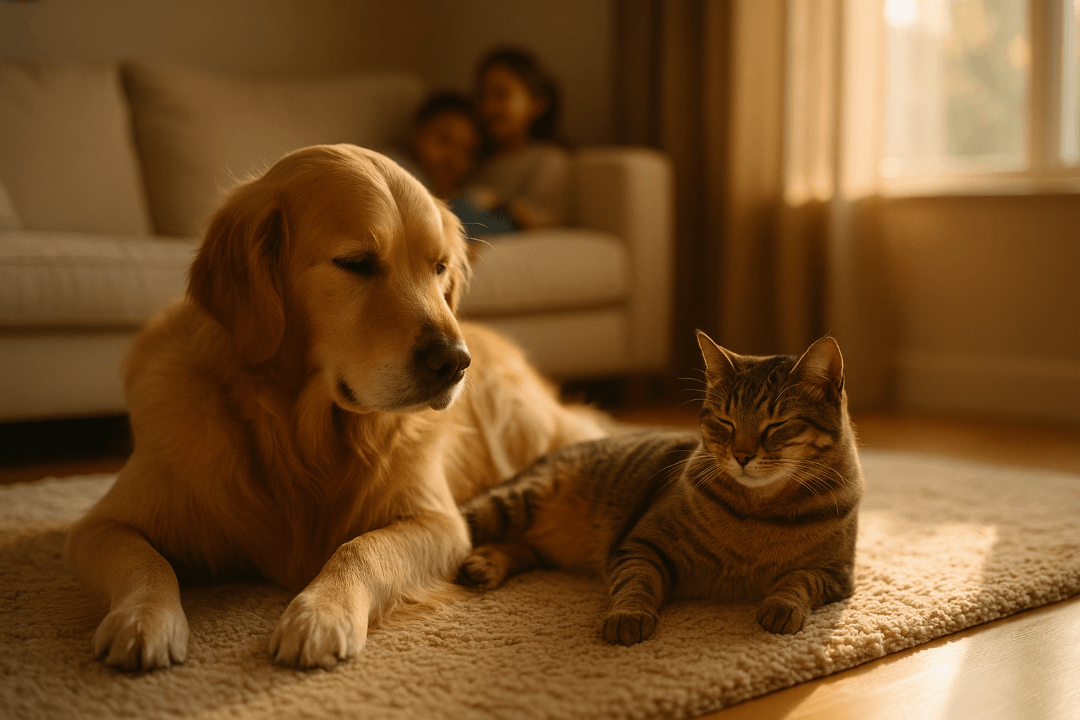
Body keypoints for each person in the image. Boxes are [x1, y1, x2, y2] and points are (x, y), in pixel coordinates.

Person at [466, 47, 572, 230]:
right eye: (483, 96)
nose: (488, 107)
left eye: (501, 94)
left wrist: (497, 205)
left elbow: (546, 223)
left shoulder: (550, 160)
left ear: (537, 102)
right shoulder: (481, 160)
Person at [398, 91, 514, 238]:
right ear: (416, 133)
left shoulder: (453, 194)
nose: (452, 159)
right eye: (444, 140)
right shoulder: (394, 168)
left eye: (465, 152)